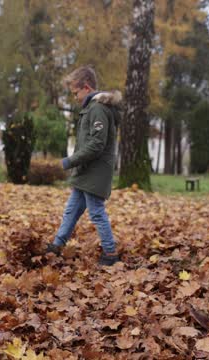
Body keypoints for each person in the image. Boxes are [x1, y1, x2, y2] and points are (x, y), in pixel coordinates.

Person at [46, 66, 122, 266]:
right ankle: (57, 244)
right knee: (71, 209)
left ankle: (110, 253)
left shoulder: (97, 109)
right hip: (87, 171)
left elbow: (97, 144)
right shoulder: (91, 108)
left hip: (96, 171)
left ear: (86, 87)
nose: (75, 98)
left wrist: (70, 161)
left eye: (75, 93)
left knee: (96, 211)